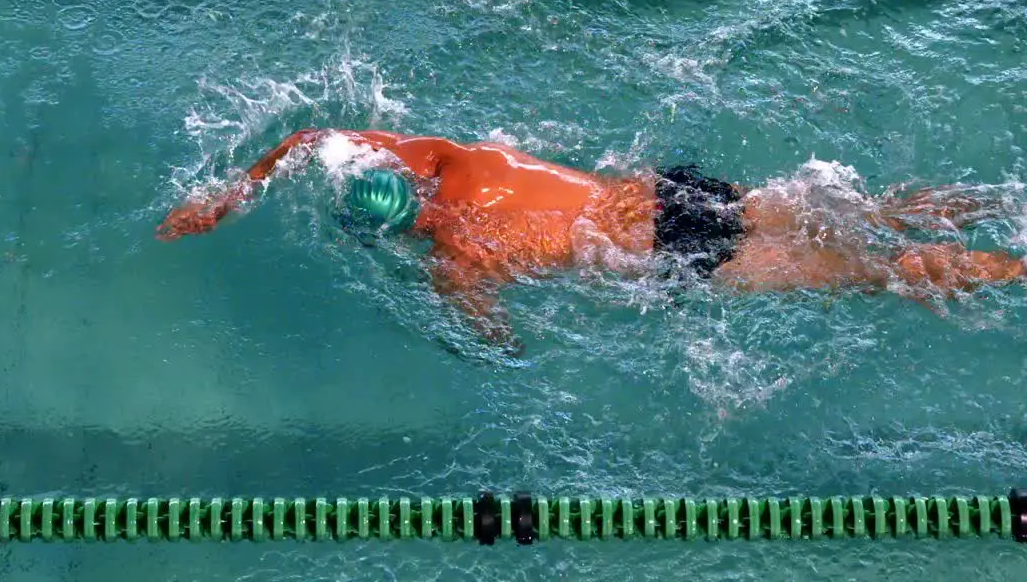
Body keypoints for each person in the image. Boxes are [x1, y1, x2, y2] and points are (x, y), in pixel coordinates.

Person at [157, 128, 1025, 355]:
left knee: (874, 275)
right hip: (662, 195)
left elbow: (493, 337)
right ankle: (995, 200)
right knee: (865, 211)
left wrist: (496, 342)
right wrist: (236, 190)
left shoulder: (457, 257)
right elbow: (316, 137)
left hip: (663, 258)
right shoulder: (458, 161)